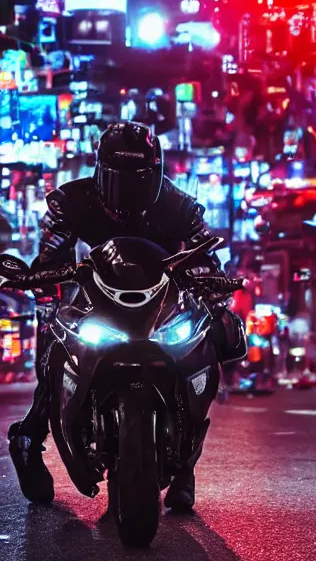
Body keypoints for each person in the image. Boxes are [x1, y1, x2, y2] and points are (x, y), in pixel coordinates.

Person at [5, 121, 246, 510]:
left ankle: (186, 468)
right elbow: (50, 259)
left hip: (161, 306)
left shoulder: (180, 205)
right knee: (53, 349)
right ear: (100, 171)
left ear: (156, 172)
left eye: (138, 176)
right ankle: (29, 439)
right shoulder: (69, 202)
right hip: (95, 301)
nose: (128, 187)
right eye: (118, 176)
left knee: (209, 341)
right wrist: (47, 294)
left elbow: (208, 258)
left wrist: (216, 295)